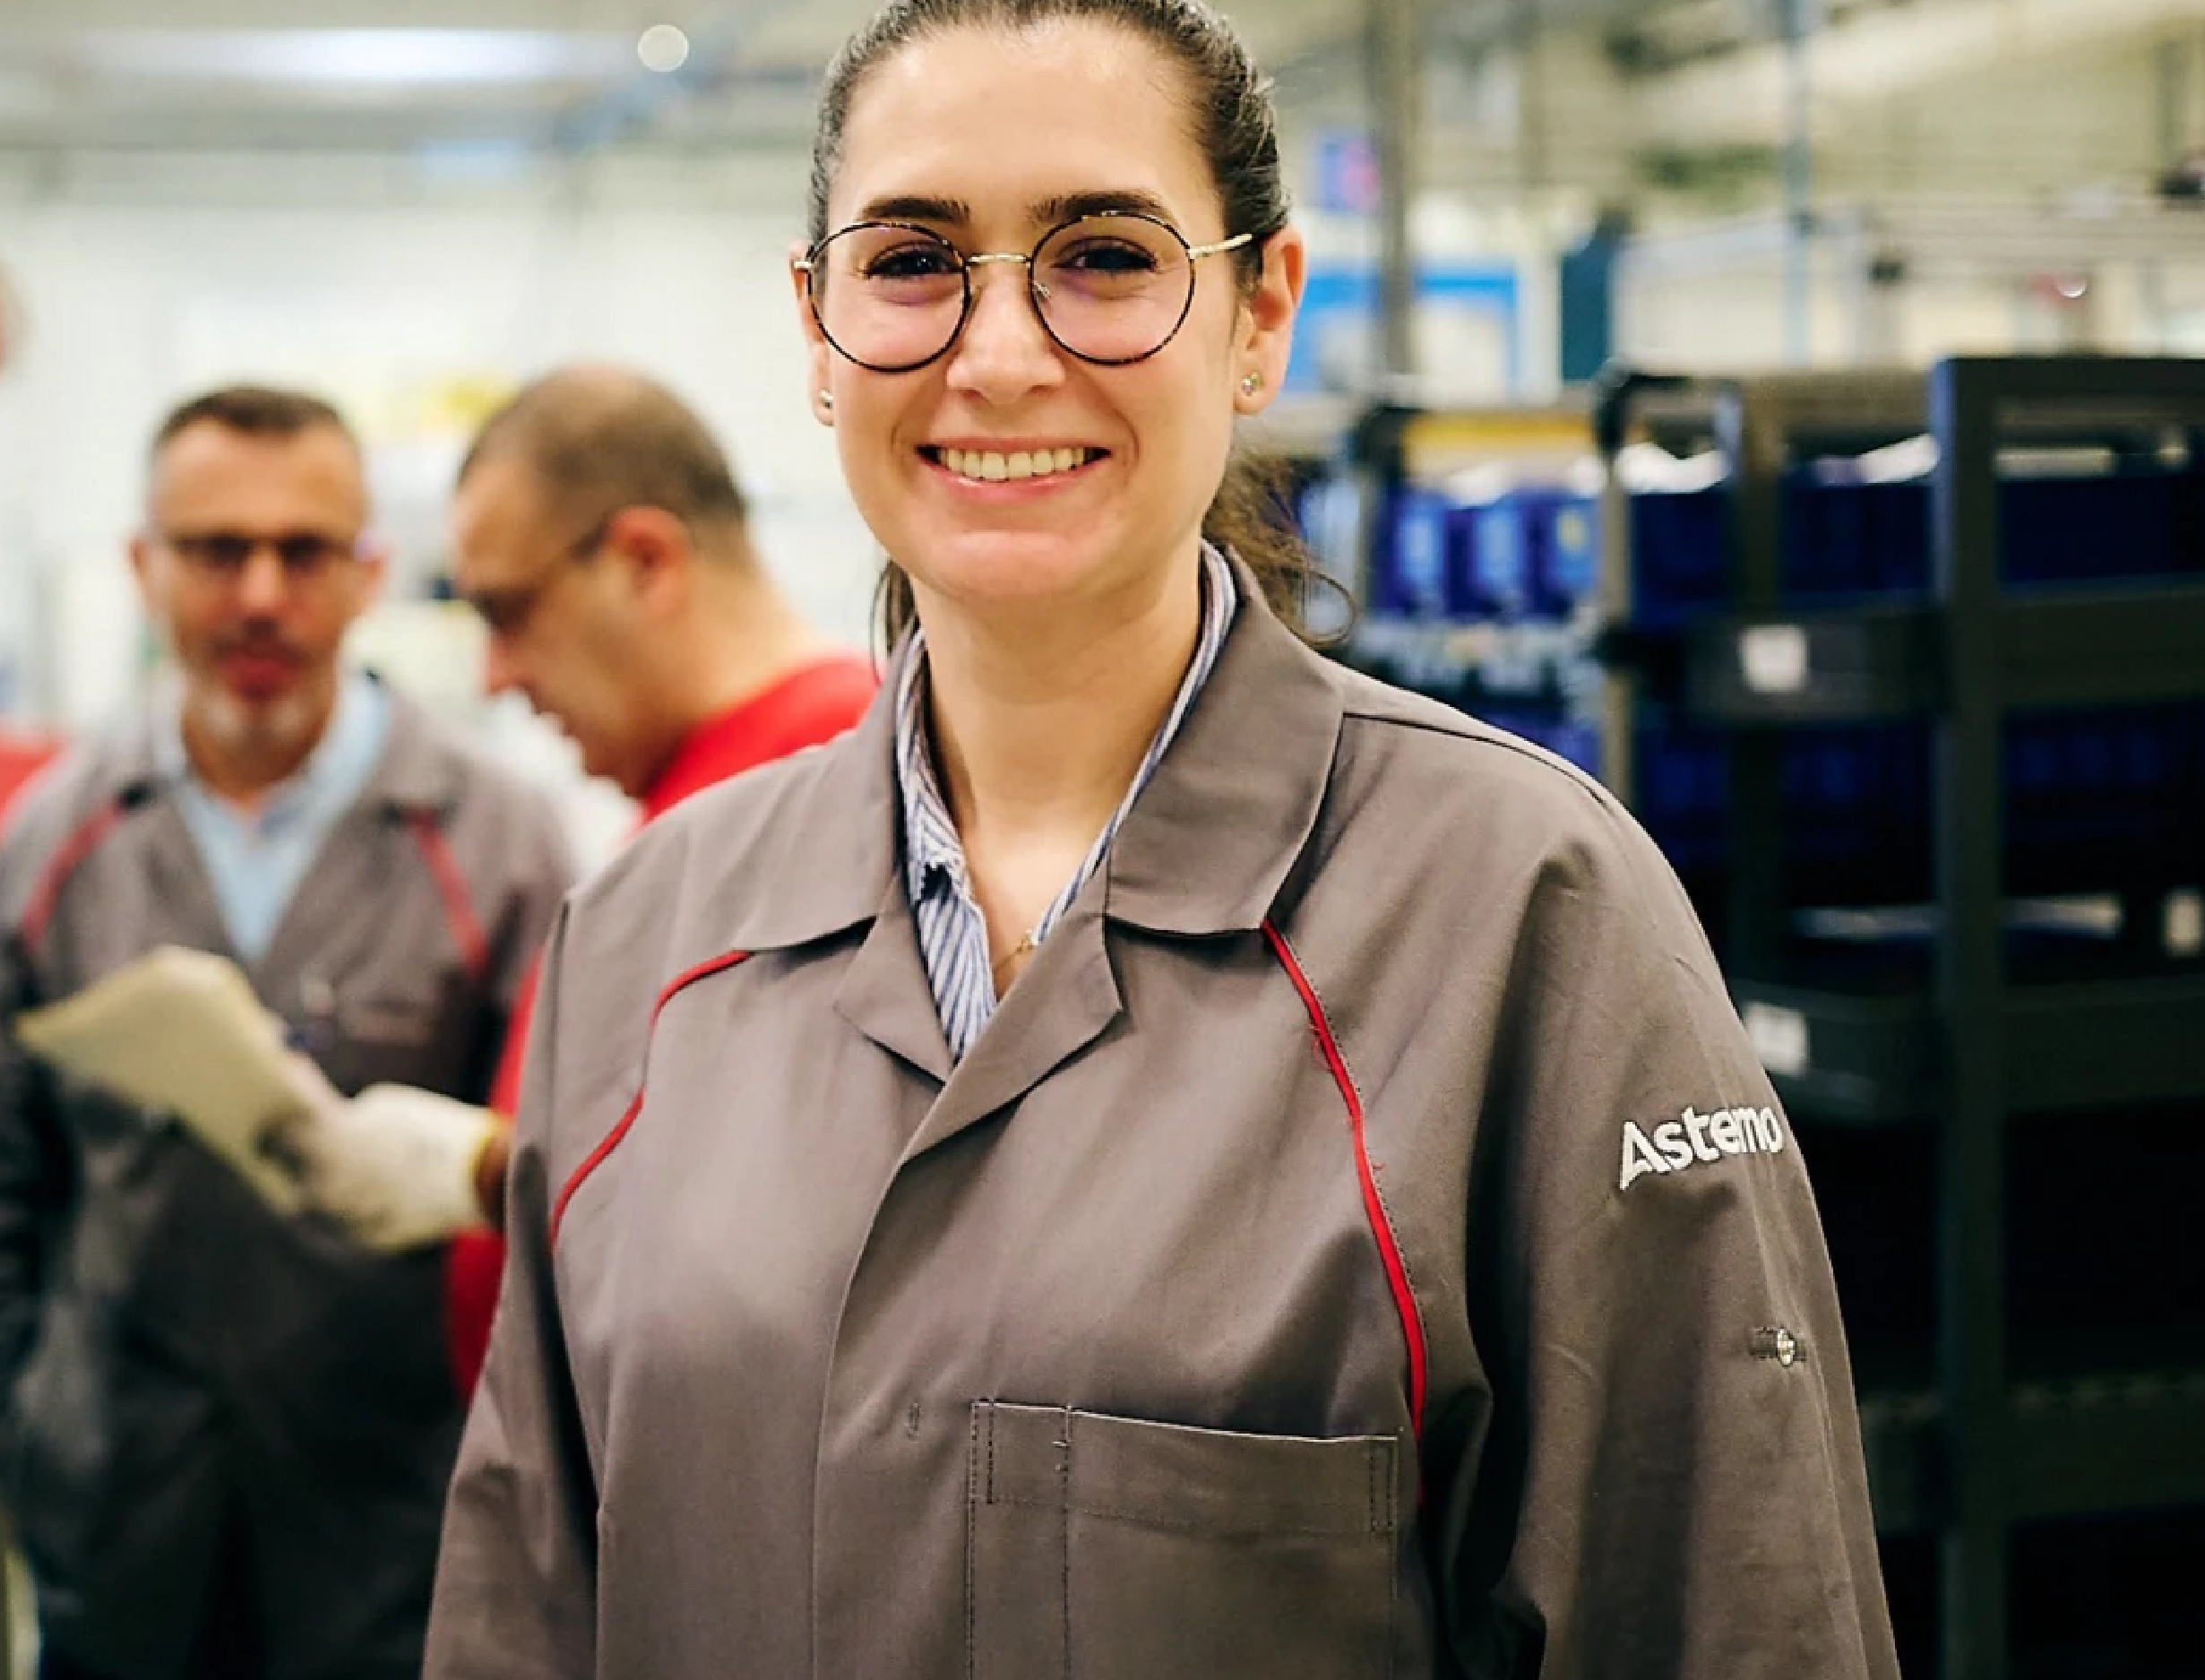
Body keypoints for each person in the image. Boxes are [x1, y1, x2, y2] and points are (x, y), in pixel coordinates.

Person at [425, 1, 1899, 1676]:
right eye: (912, 259)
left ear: (1257, 313)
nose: (996, 357)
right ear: (817, 326)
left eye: (1103, 255)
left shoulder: (1520, 919)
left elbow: (1724, 1620)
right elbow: (519, 1609)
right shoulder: (643, 940)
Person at [0, 385, 573, 1680]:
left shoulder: (495, 841)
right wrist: (16, 1437)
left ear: (368, 574)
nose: (259, 595)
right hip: (117, 1524)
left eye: (304, 552)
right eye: (214, 550)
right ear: (143, 566)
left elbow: (552, 1193)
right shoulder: (62, 835)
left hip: (389, 1529)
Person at [439, 366, 876, 1390]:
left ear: (643, 560)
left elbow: (776, 1229)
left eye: (508, 613)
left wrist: (480, 1173)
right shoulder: (708, 795)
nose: (493, 677)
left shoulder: (830, 788)